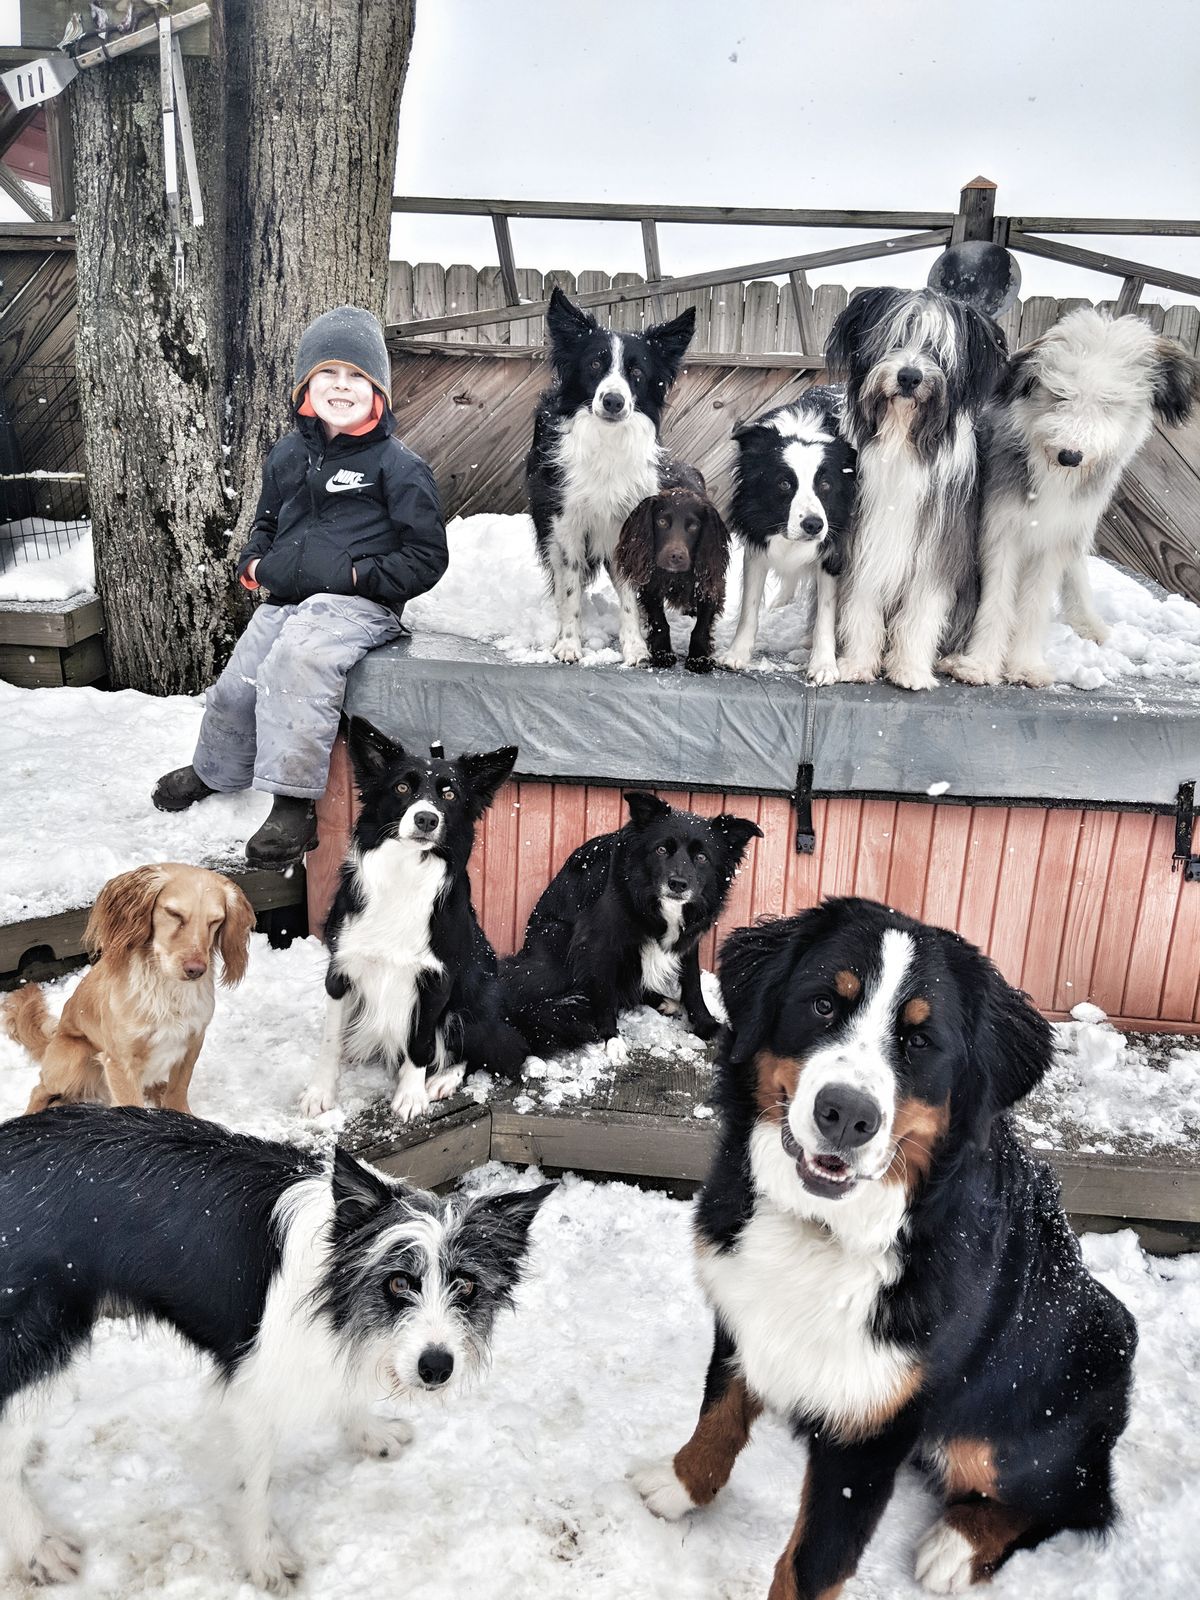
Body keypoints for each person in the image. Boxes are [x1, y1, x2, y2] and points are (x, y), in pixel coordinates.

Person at [152, 306, 448, 866]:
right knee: (239, 681)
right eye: (327, 373)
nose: (341, 386)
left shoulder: (399, 466)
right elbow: (266, 521)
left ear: (378, 392)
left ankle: (292, 804)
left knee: (295, 663)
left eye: (357, 375)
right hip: (288, 599)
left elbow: (427, 557)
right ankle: (216, 769)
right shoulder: (288, 454)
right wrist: (254, 560)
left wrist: (361, 577)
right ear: (305, 388)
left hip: (358, 607)